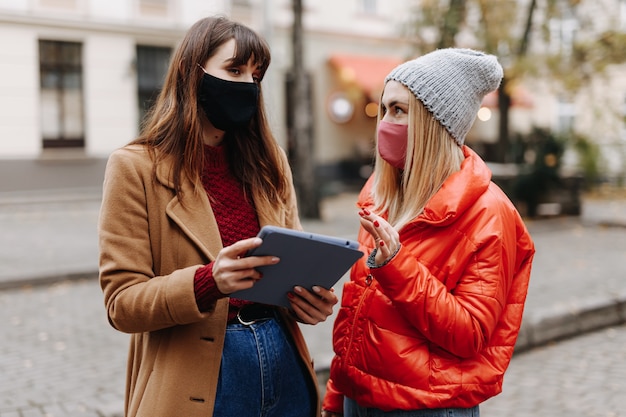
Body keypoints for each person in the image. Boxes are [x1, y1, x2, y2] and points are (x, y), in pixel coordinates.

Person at [98, 16, 338, 417]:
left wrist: (307, 301)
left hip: (285, 365)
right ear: (193, 75)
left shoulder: (269, 163)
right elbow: (122, 303)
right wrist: (208, 282)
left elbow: (291, 260)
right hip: (200, 378)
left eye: (256, 75)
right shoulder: (134, 167)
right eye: (234, 69)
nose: (247, 83)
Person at [322, 48, 535, 416]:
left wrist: (396, 265)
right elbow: (358, 311)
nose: (385, 121)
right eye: (385, 108)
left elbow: (469, 333)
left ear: (435, 124)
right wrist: (336, 394)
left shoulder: (489, 213)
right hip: (359, 399)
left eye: (399, 110)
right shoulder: (381, 196)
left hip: (426, 407)